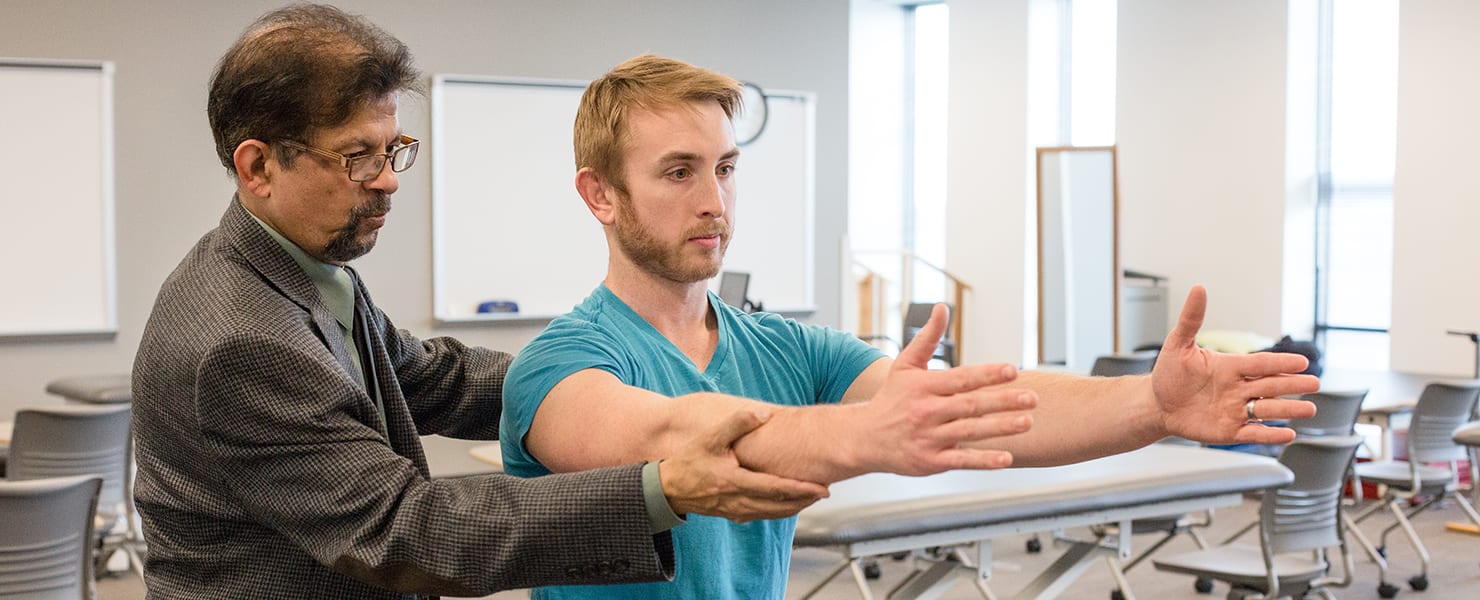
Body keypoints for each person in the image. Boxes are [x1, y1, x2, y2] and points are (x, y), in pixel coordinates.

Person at [499, 54, 1321, 599]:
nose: (714, 198)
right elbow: (676, 440)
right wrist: (872, 432)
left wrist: (1152, 406)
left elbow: (987, 405)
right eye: (678, 172)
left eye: (725, 167)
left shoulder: (783, 348)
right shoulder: (557, 367)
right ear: (600, 196)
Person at [130, 7, 830, 599]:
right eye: (357, 158)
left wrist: (578, 378)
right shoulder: (240, 340)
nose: (388, 182)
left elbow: (429, 377)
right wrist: (663, 487)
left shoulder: (305, 269)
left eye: (392, 149)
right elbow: (411, 531)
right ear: (258, 167)